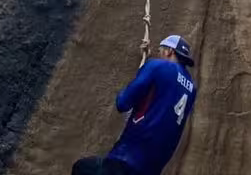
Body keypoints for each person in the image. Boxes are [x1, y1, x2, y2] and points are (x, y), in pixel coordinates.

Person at [72, 35, 197, 175]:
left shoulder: (157, 66)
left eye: (160, 51)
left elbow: (123, 103)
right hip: (152, 169)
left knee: (82, 168)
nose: (160, 55)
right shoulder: (192, 88)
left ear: (169, 51)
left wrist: (146, 67)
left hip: (127, 159)